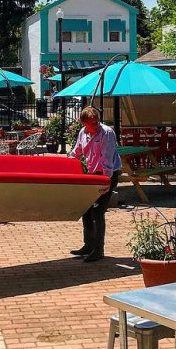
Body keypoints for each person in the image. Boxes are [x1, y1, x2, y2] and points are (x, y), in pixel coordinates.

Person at [68, 106, 122, 262]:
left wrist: (106, 183)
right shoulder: (83, 133)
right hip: (92, 174)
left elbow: (107, 160)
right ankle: (88, 245)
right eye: (91, 123)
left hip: (107, 175)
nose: (95, 125)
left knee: (98, 212)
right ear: (84, 123)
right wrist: (66, 163)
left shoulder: (107, 133)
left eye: (96, 121)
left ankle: (99, 250)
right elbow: (76, 152)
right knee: (86, 209)